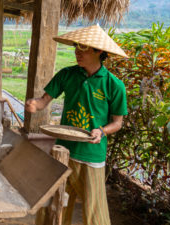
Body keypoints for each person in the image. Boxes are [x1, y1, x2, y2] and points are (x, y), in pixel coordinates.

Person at [27, 25, 128, 225]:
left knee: (94, 211)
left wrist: (102, 131)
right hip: (63, 151)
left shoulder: (114, 85)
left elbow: (117, 123)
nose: (76, 52)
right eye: (76, 47)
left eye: (82, 48)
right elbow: (44, 100)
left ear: (99, 51)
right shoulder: (67, 74)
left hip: (91, 154)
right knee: (54, 204)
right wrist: (35, 104)